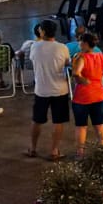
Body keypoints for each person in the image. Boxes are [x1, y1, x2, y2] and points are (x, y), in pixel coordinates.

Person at [23, 19, 71, 160]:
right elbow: (67, 62)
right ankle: (54, 150)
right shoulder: (62, 47)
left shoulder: (35, 47)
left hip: (41, 90)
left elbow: (33, 60)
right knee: (58, 121)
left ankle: (33, 148)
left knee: (37, 120)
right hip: (60, 89)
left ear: (41, 31)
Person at [70, 32, 103, 154]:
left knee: (81, 126)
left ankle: (80, 152)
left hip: (82, 96)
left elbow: (76, 73)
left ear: (86, 44)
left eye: (81, 41)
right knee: (99, 124)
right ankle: (102, 148)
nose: (79, 44)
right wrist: (102, 74)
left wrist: (82, 80)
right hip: (99, 94)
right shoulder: (101, 56)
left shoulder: (81, 57)